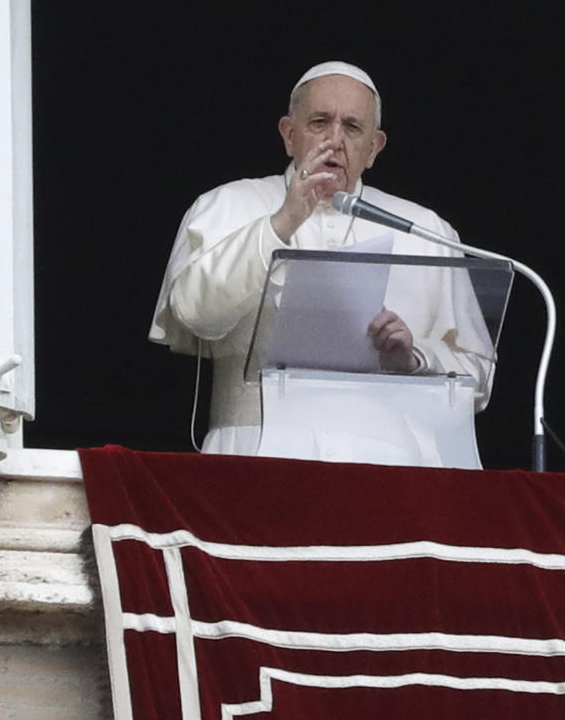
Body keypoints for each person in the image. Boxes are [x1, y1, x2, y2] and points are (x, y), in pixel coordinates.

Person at [150, 61, 495, 458]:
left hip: (389, 462)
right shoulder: (226, 204)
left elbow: (479, 379)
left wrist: (414, 358)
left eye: (352, 127)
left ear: (374, 148)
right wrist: (282, 222)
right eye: (319, 122)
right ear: (289, 135)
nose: (335, 140)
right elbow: (196, 313)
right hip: (253, 453)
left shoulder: (424, 230)